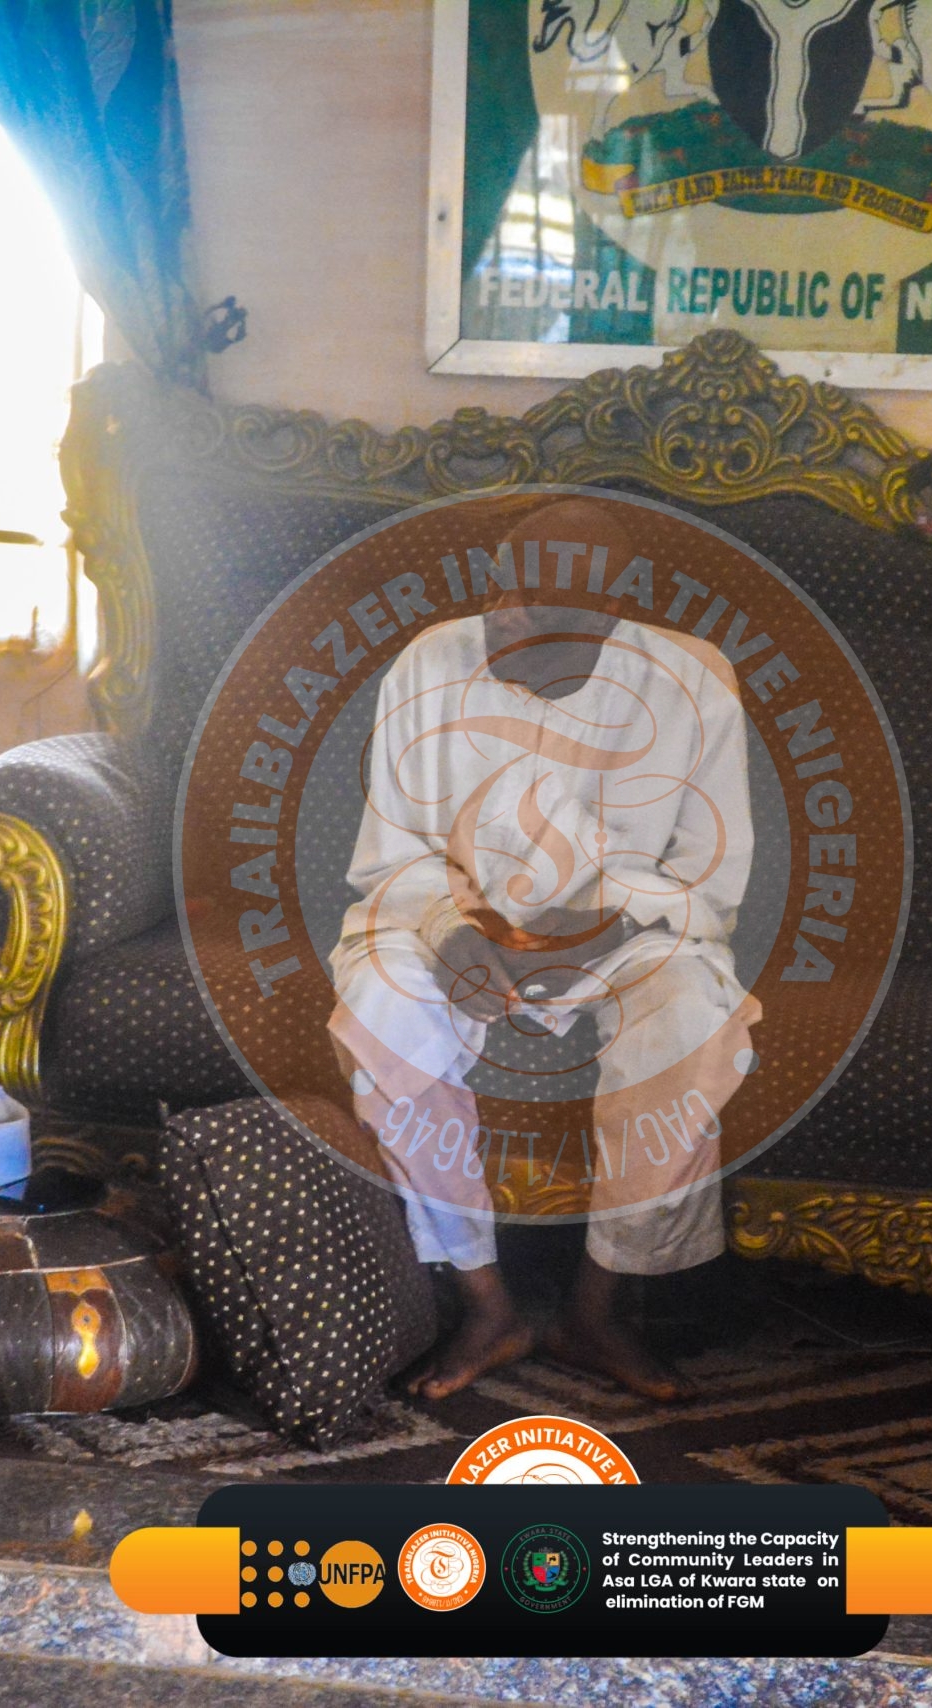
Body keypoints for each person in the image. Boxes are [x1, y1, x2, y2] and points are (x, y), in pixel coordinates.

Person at [328, 497, 761, 1402]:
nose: (503, 618)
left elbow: (706, 881)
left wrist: (589, 933)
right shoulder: (428, 660)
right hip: (445, 915)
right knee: (381, 1008)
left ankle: (594, 1312)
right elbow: (392, 855)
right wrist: (456, 934)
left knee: (689, 1021)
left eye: (536, 609)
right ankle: (486, 1304)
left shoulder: (693, 681)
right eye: (500, 592)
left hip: (626, 932)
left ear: (610, 618)